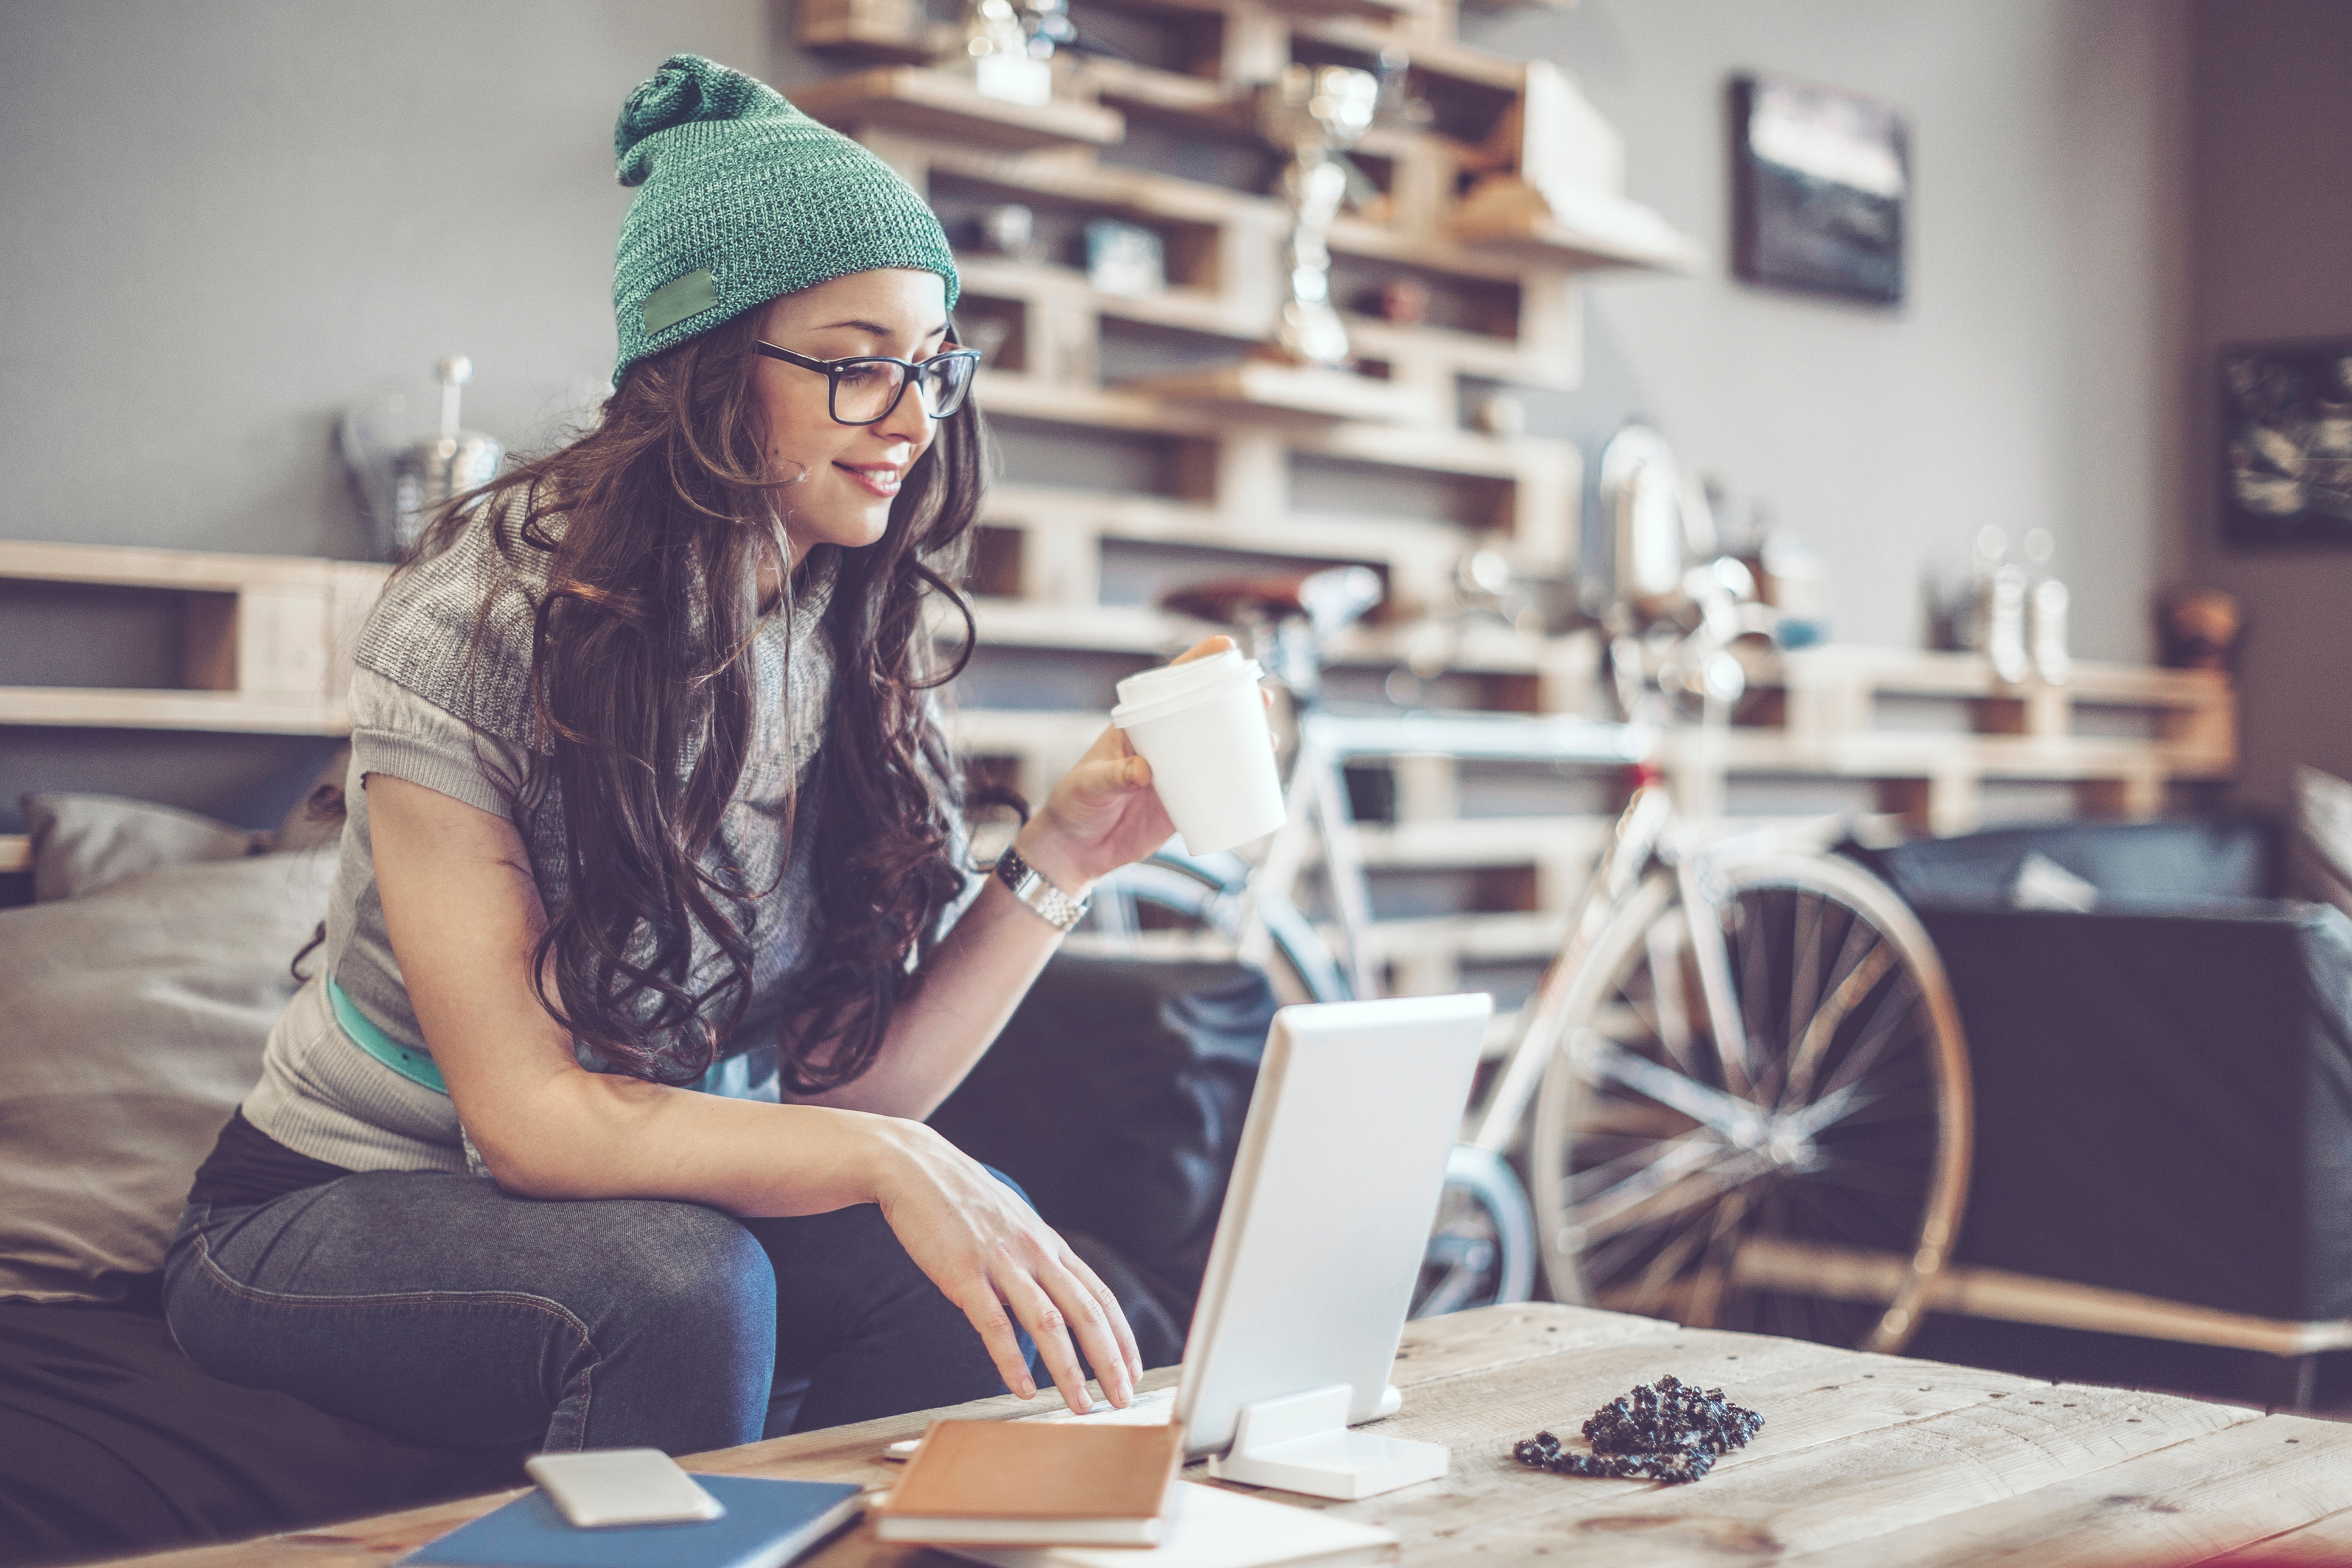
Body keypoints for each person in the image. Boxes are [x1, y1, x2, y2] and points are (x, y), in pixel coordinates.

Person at [163, 54, 1197, 1457]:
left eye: (933, 365)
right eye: (856, 367)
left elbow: (848, 1102)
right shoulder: (481, 617)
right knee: (683, 1288)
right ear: (704, 371)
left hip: (632, 1197)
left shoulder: (849, 621)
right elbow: (529, 1123)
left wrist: (1061, 860)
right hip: (320, 1203)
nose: (911, 421)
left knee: (996, 1284)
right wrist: (892, 1161)